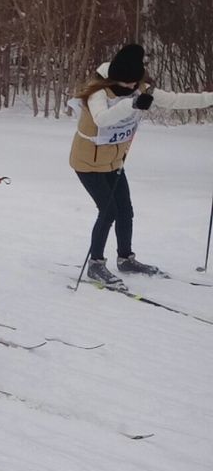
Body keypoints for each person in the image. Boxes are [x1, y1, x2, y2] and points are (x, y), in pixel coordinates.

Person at [69, 43, 213, 288]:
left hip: (114, 161)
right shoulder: (98, 92)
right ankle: (96, 265)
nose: (130, 88)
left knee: (125, 210)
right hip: (87, 162)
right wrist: (132, 104)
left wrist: (209, 99)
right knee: (109, 211)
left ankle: (126, 259)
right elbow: (101, 118)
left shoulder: (139, 88)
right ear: (114, 78)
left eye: (134, 84)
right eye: (125, 84)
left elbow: (175, 100)